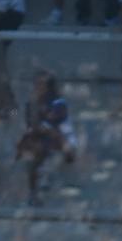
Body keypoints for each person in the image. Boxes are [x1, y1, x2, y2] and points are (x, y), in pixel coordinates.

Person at [15, 70, 77, 205]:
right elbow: (30, 124)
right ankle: (33, 191)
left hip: (58, 136)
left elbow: (52, 124)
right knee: (29, 152)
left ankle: (43, 183)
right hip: (39, 136)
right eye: (36, 84)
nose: (37, 87)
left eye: (41, 84)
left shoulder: (58, 103)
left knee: (41, 149)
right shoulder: (31, 103)